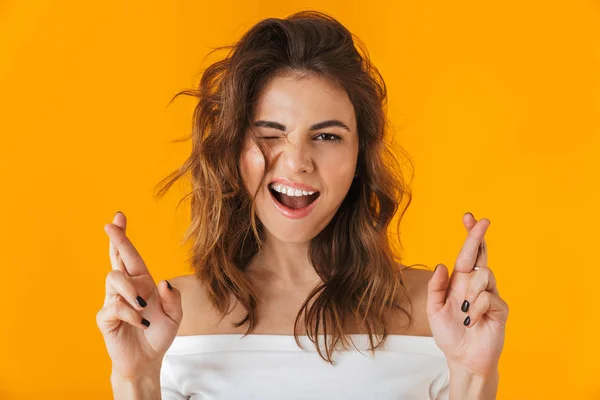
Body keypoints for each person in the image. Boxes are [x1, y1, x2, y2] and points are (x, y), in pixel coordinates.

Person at [96, 10, 509, 400]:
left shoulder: (441, 315)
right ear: (234, 151)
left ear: (360, 157)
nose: (297, 162)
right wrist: (136, 378)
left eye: (327, 136)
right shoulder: (171, 316)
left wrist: (474, 374)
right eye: (270, 133)